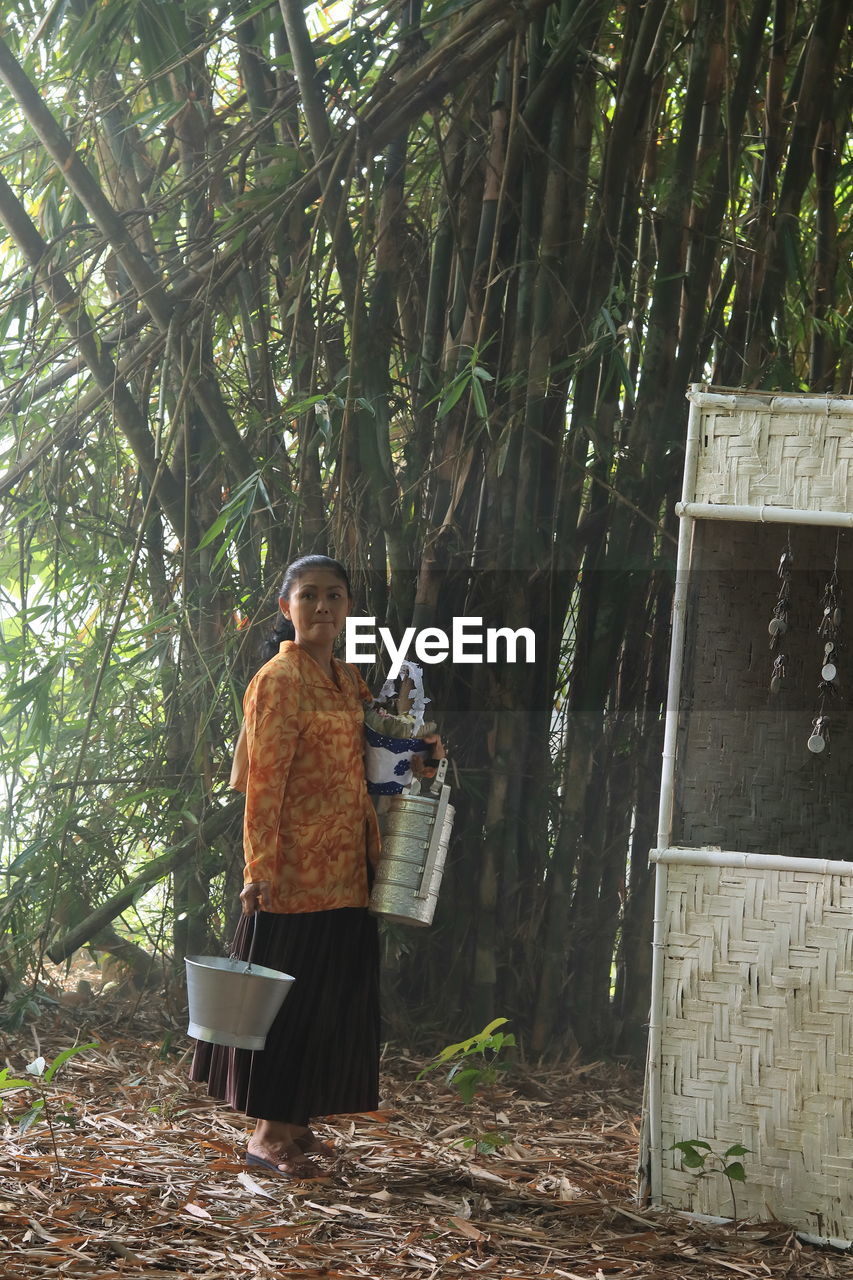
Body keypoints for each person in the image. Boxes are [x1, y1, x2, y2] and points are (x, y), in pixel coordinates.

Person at [191, 554, 442, 1177]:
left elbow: (371, 764)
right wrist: (259, 870)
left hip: (348, 871)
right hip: (294, 875)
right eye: (309, 596)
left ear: (348, 608)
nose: (323, 607)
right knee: (290, 1006)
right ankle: (267, 1134)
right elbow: (265, 784)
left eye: (334, 595)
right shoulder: (278, 681)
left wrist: (420, 758)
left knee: (331, 1002)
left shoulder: (347, 680)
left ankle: (297, 1127)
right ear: (287, 609)